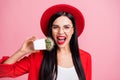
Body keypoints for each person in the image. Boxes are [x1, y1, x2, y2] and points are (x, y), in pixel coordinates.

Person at [0, 4, 91, 80]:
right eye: (55, 27)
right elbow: (2, 72)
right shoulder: (37, 56)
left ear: (73, 30)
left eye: (66, 27)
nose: (60, 32)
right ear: (51, 31)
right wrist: (22, 51)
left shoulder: (86, 57)